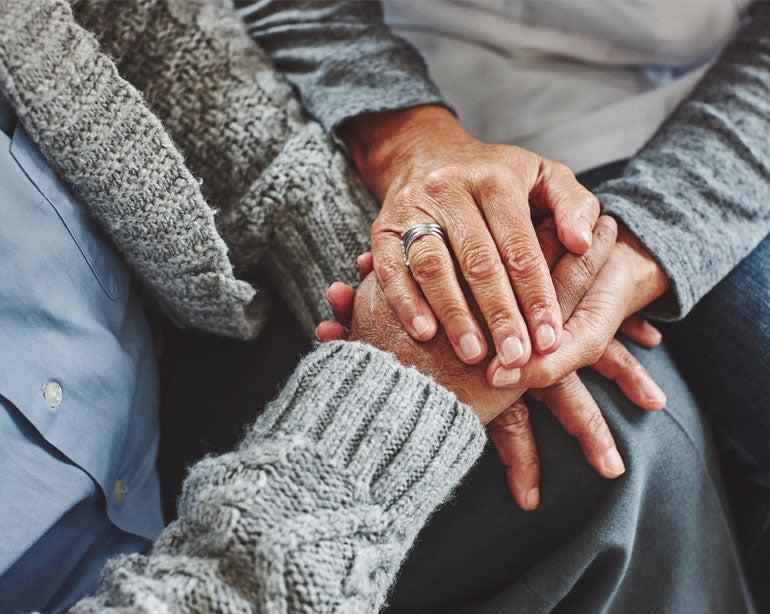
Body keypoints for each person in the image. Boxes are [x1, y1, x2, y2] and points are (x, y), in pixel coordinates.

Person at [0, 1, 759, 613]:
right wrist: (389, 398)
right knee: (615, 445)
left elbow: (152, 38)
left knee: (616, 434)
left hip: (663, 119)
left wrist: (421, 266)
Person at [242, 1, 770, 607]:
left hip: (702, 108)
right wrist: (404, 142)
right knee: (620, 445)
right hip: (415, 92)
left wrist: (642, 240)